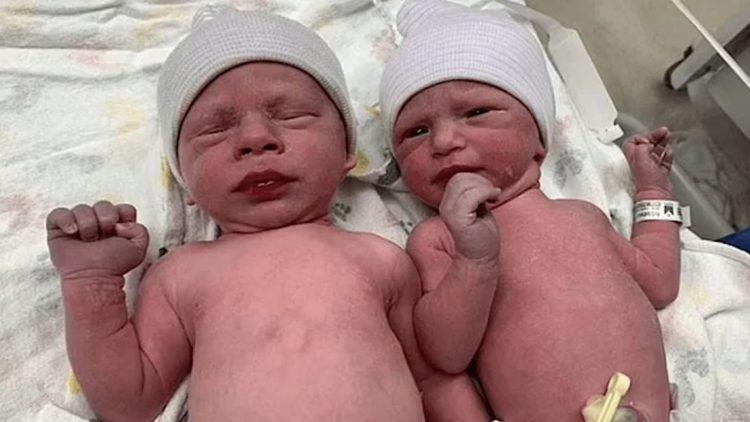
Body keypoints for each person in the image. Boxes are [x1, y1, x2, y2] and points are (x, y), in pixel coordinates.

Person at [45, 7, 434, 421]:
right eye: (215, 129)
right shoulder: (181, 274)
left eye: (291, 115)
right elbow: (129, 403)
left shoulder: (383, 259)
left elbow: (431, 379)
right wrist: (90, 282)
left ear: (347, 153)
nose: (255, 137)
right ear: (185, 182)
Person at [379, 1, 681, 420]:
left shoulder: (582, 216)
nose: (443, 141)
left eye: (476, 112)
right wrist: (474, 262)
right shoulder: (439, 240)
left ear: (539, 139)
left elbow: (660, 282)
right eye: (415, 131)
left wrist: (652, 189)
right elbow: (446, 354)